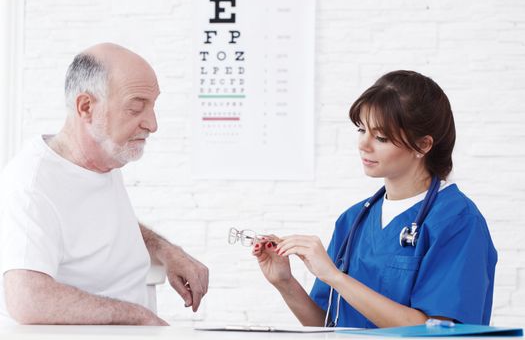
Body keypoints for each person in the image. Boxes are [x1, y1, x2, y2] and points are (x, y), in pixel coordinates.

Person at [252, 70, 497, 328]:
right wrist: (285, 283)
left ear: (423, 145)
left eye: (381, 137)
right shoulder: (353, 220)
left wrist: (335, 277)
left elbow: (435, 331)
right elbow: (327, 326)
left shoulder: (458, 221)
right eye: (361, 130)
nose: (364, 144)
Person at [0, 43, 209, 325]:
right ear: (86, 107)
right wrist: (139, 318)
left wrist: (165, 249)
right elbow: (28, 300)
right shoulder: (33, 183)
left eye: (152, 106)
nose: (152, 123)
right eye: (136, 107)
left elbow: (97, 224)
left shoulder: (101, 156)